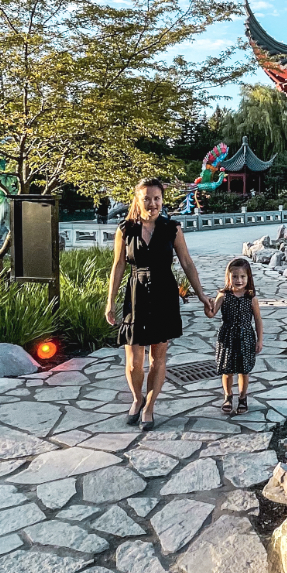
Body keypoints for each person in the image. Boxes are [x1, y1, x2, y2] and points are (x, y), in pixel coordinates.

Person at [105, 178, 210, 429]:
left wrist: (202, 295)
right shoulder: (125, 229)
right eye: (147, 198)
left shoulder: (172, 228)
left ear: (162, 201)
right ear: (137, 200)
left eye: (157, 199)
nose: (152, 203)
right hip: (135, 294)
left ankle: (149, 406)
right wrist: (110, 301)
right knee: (133, 361)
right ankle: (137, 398)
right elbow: (118, 265)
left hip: (164, 292)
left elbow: (187, 263)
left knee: (158, 357)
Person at [210, 256, 262, 415]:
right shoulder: (223, 295)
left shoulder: (251, 298)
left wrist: (260, 340)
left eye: (242, 276)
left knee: (244, 370)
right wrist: (207, 304)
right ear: (228, 277)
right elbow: (212, 313)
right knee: (227, 370)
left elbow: (258, 320)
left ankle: (242, 397)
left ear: (248, 277)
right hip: (227, 337)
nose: (238, 280)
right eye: (234, 276)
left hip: (246, 336)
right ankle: (228, 396)